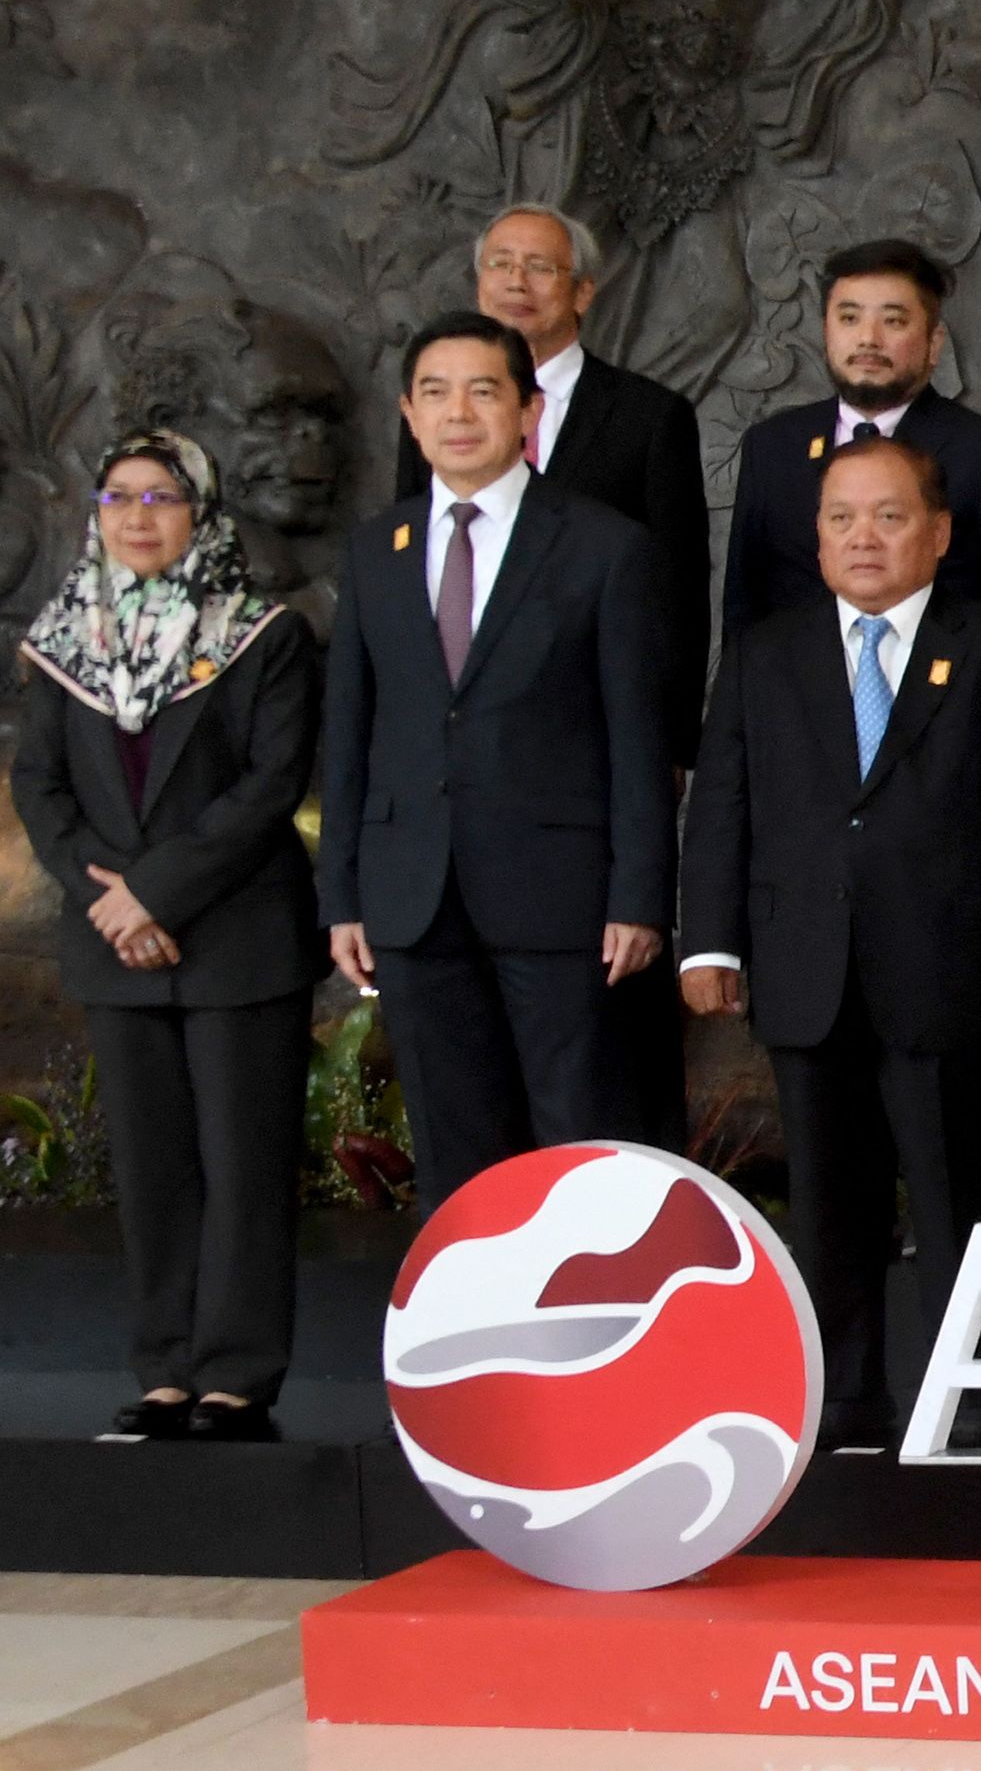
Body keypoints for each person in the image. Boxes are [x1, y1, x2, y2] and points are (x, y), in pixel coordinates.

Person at [680, 434, 981, 1450]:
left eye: (889, 517)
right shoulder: (765, 654)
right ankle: (842, 1400)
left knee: (960, 1202)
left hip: (954, 975)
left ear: (937, 533)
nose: (864, 537)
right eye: (841, 518)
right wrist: (707, 942)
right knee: (827, 1205)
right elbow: (722, 806)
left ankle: (978, 1403)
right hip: (808, 972)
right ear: (816, 539)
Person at [317, 316, 671, 1210]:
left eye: (483, 391)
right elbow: (349, 731)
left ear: (528, 410)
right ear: (409, 414)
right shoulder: (376, 549)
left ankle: (589, 1300)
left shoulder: (603, 545)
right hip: (413, 894)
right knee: (452, 1149)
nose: (458, 413)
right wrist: (344, 895)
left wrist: (638, 894)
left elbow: (637, 734)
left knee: (577, 1139)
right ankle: (472, 1302)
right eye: (435, 393)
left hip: (560, 897)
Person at [12, 434, 321, 1442]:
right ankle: (165, 1371)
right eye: (119, 497)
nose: (138, 516)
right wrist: (110, 899)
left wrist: (155, 893)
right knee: (151, 1170)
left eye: (162, 497)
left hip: (236, 935)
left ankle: (236, 1376)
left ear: (203, 511)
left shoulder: (262, 635)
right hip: (115, 943)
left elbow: (271, 785)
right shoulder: (64, 641)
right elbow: (41, 785)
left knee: (242, 1163)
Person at [422, 202, 713, 1149]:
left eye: (539, 266)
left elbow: (677, 597)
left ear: (582, 291)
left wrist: (668, 750)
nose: (516, 281)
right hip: (462, 799)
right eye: (499, 263)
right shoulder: (435, 420)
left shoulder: (648, 417)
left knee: (596, 1077)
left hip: (589, 777)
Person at [723, 240, 981, 648]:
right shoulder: (772, 447)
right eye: (849, 318)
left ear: (934, 342)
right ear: (826, 331)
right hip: (797, 685)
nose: (868, 338)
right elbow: (743, 614)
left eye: (893, 321)